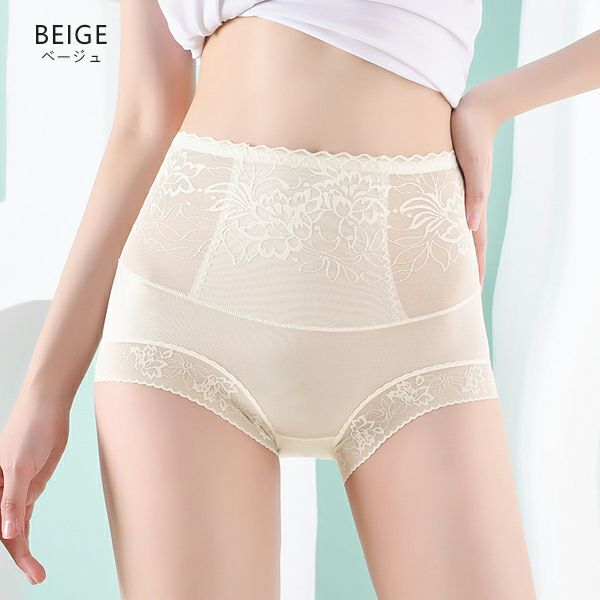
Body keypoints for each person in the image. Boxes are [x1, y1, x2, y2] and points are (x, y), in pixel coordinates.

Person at [0, 1, 598, 597]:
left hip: (416, 326)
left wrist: (493, 105)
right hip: (186, 316)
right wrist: (45, 392)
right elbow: (144, 121)